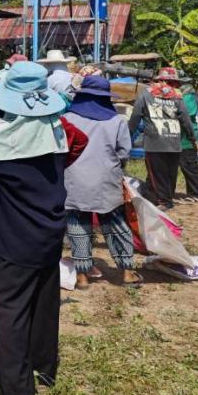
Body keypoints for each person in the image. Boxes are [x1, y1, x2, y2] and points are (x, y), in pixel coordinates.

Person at [0, 61, 71, 395]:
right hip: (49, 229)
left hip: (9, 234)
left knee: (7, 306)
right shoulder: (56, 129)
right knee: (43, 302)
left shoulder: (1, 136)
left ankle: (18, 391)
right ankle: (43, 368)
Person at [63, 75, 140, 287]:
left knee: (78, 225)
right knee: (115, 223)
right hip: (107, 180)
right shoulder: (116, 121)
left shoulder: (68, 118)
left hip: (74, 179)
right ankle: (127, 272)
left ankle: (82, 276)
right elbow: (124, 152)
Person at [127, 66, 196, 210]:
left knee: (157, 173)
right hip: (174, 141)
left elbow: (135, 117)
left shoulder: (145, 95)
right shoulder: (177, 97)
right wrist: (192, 138)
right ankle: (165, 197)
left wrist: (127, 135)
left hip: (155, 142)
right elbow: (185, 120)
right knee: (170, 173)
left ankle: (164, 202)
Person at [176, 79, 198, 203]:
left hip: (187, 138)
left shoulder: (188, 98)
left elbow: (186, 116)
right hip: (176, 138)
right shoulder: (180, 97)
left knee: (189, 166)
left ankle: (194, 194)